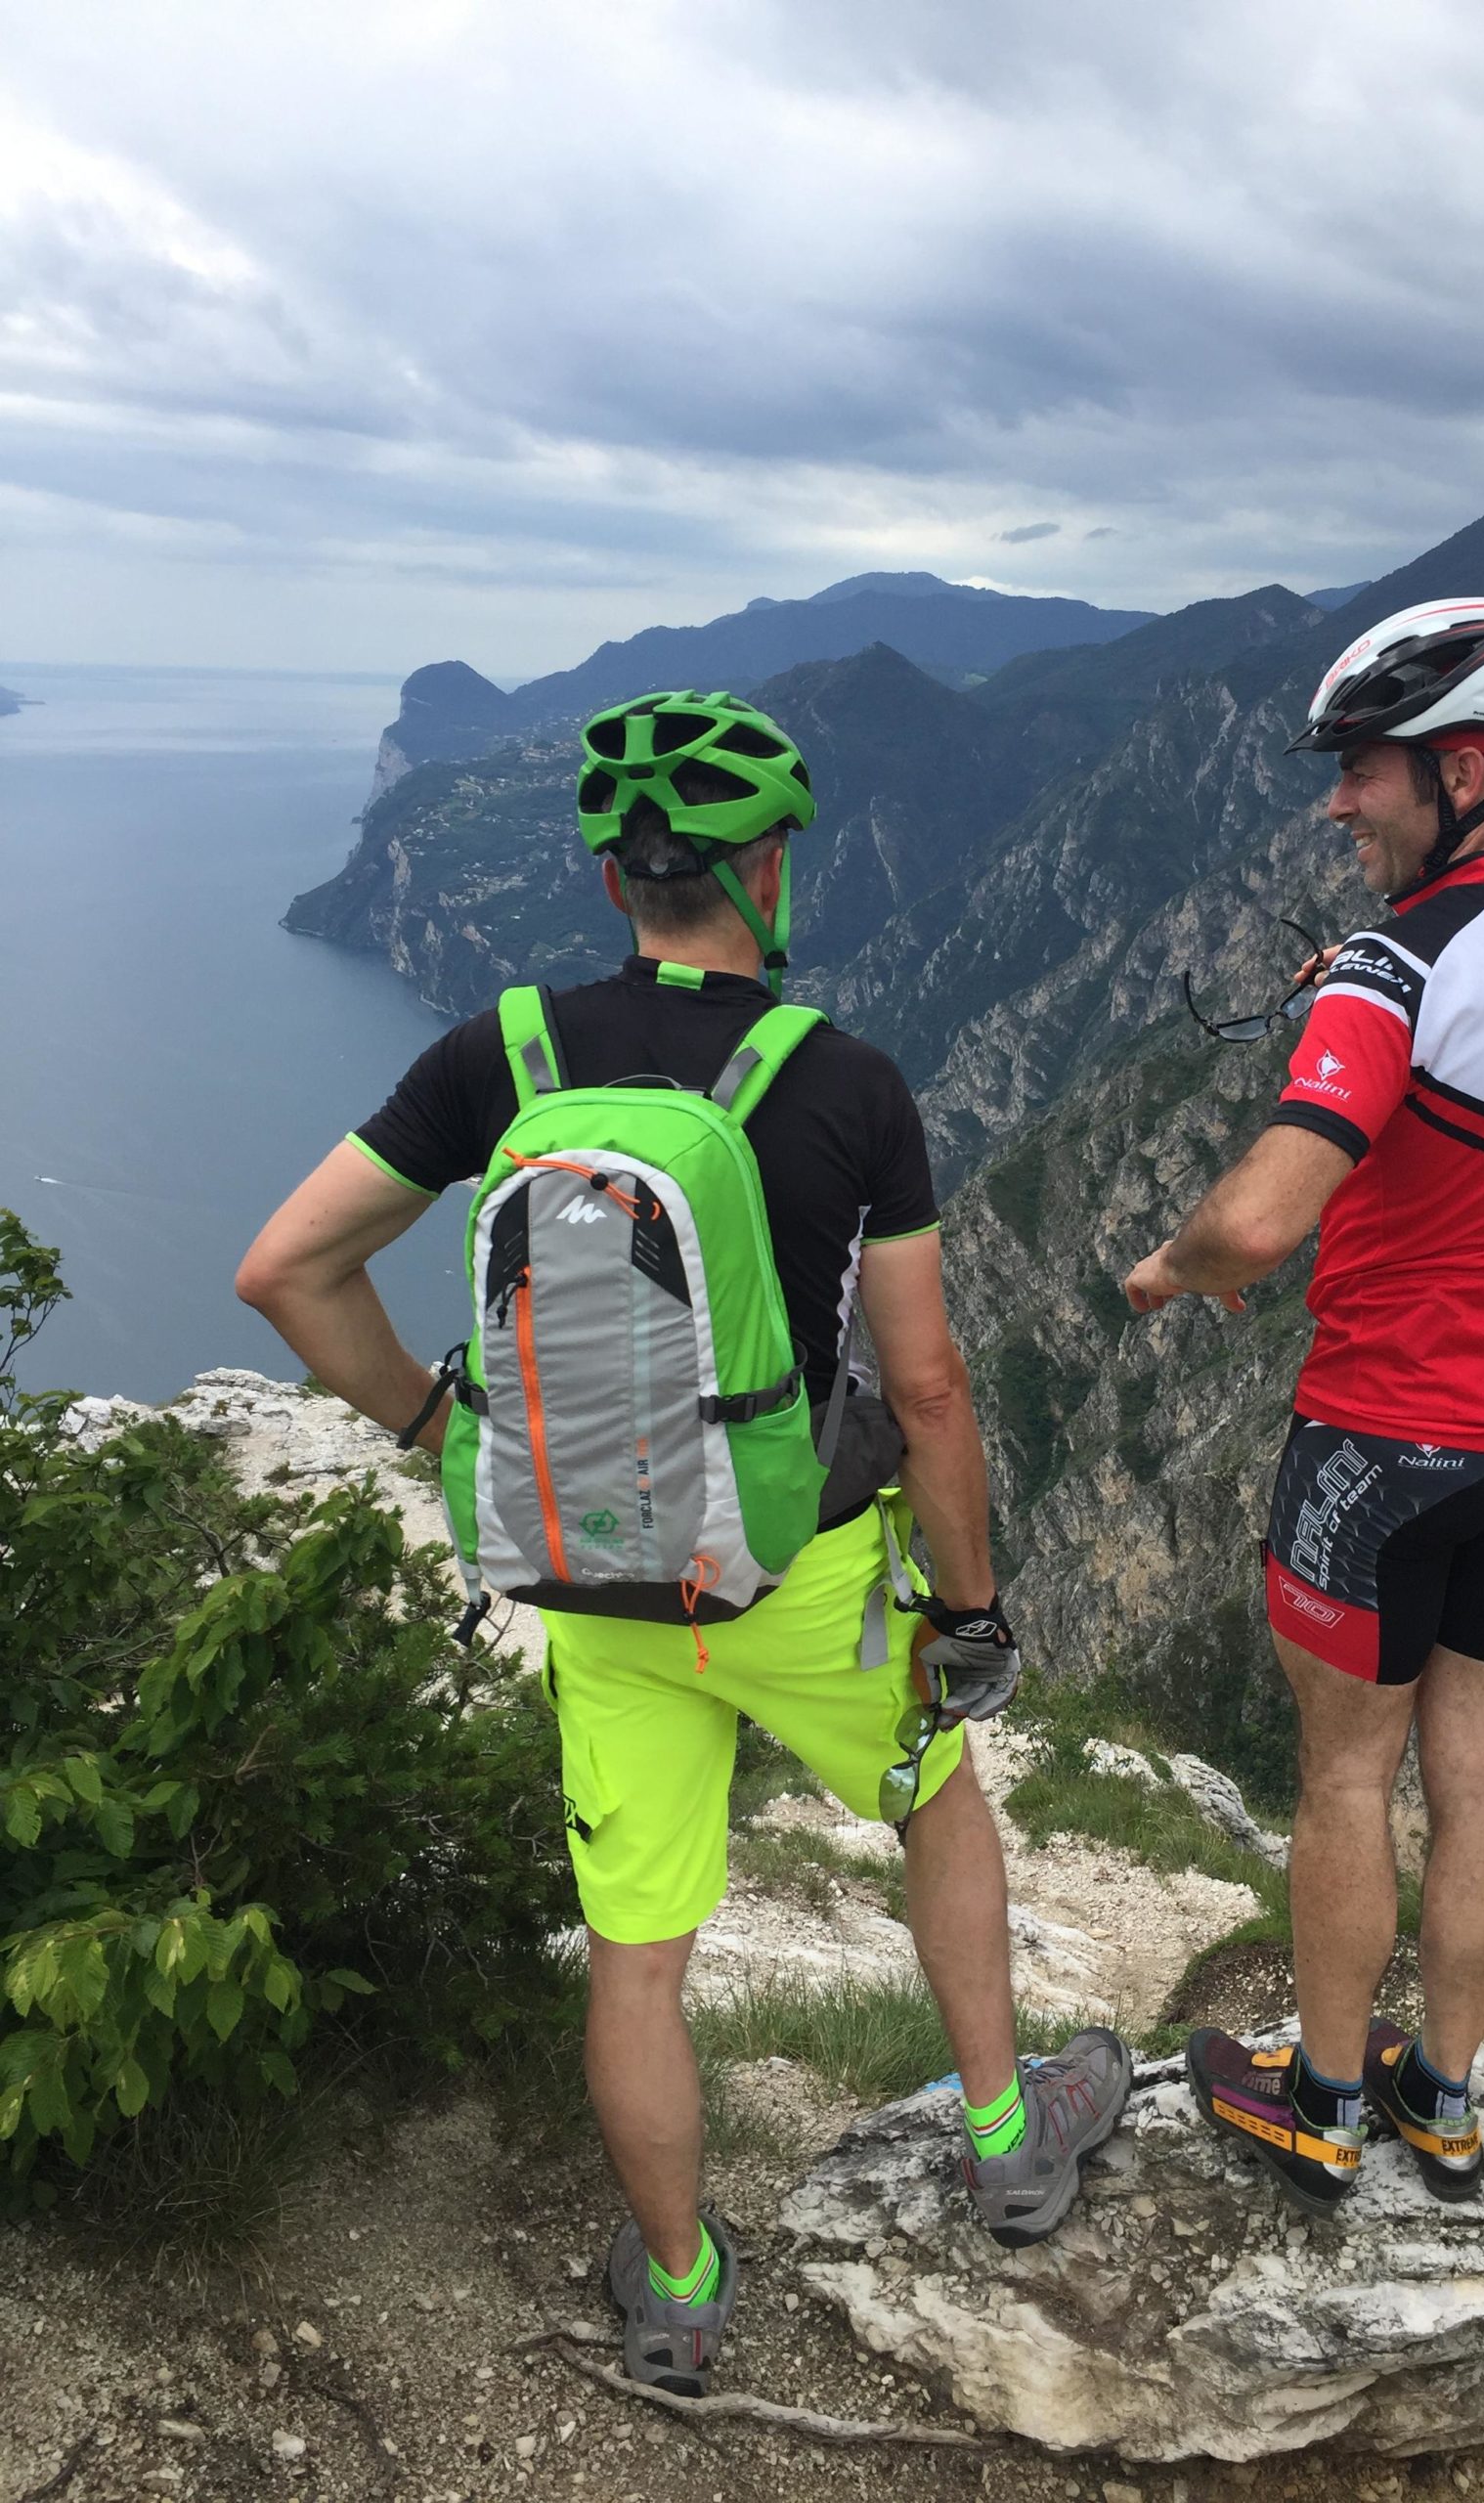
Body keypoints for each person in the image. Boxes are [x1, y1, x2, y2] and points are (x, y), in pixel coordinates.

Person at [239, 688, 1128, 2391]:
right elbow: (928, 1385)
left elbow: (284, 1270)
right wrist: (971, 1607)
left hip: (598, 1581)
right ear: (768, 869)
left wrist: (441, 1433)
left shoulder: (499, 1056)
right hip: (799, 1572)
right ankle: (1012, 2141)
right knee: (936, 1800)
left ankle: (677, 2287)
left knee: (638, 1957)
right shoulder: (845, 1082)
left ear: (611, 878)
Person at [1123, 600, 1484, 2218]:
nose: (1338, 802)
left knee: (1348, 1779)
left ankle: (1317, 2101)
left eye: (1363, 768)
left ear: (1463, 769)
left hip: (1384, 1435)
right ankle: (1441, 2097)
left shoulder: (1395, 967)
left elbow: (1258, 1225)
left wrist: (1169, 1269)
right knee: (1482, 1765)